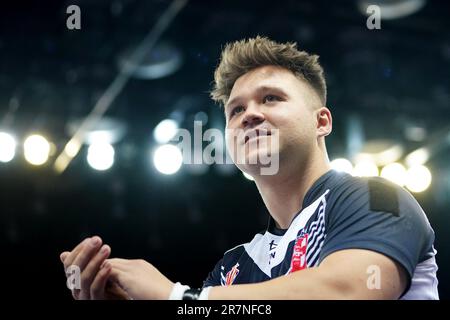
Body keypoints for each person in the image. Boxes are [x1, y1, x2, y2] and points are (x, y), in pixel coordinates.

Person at [60, 36, 439, 300]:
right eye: (235, 110)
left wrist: (179, 296)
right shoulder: (234, 268)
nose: (249, 115)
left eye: (271, 98)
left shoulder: (376, 198)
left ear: (322, 121)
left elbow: (352, 291)